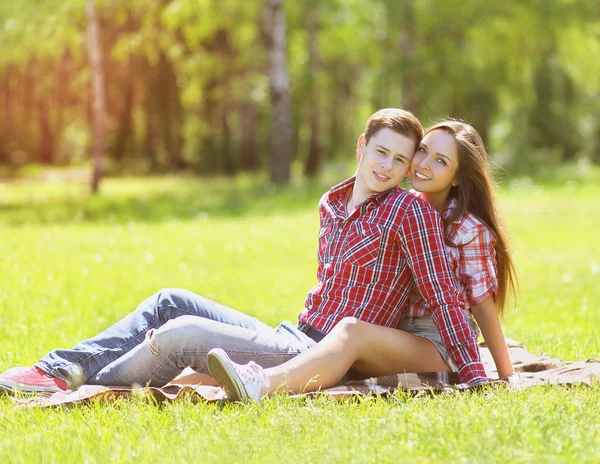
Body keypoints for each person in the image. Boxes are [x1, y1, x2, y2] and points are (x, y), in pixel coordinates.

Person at [0, 109, 487, 395]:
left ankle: (91, 389)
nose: (389, 166)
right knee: (171, 299)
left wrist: (475, 374)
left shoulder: (409, 212)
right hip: (291, 332)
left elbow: (442, 295)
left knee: (182, 335)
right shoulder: (331, 204)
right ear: (362, 147)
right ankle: (60, 368)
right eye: (382, 152)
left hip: (313, 351)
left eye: (401, 160)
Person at [206, 120, 518, 402]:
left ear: (457, 177)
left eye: (441, 161)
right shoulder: (401, 207)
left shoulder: (468, 228)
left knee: (351, 333)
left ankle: (261, 385)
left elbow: (481, 306)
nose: (422, 164)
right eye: (422, 151)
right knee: (329, 342)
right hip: (393, 335)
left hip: (437, 344)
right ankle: (205, 380)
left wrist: (506, 376)